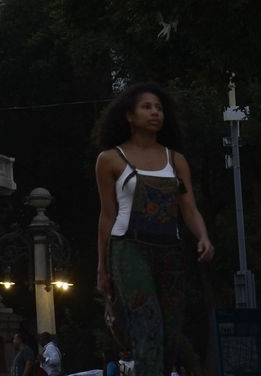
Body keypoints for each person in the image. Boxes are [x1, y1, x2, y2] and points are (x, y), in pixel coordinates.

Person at [95, 83, 214, 376]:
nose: (154, 113)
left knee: (171, 330)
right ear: (129, 116)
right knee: (147, 324)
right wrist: (102, 267)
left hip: (169, 249)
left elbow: (189, 208)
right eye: (147, 107)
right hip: (128, 248)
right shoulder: (110, 159)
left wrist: (203, 237)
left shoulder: (176, 160)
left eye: (159, 108)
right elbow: (107, 215)